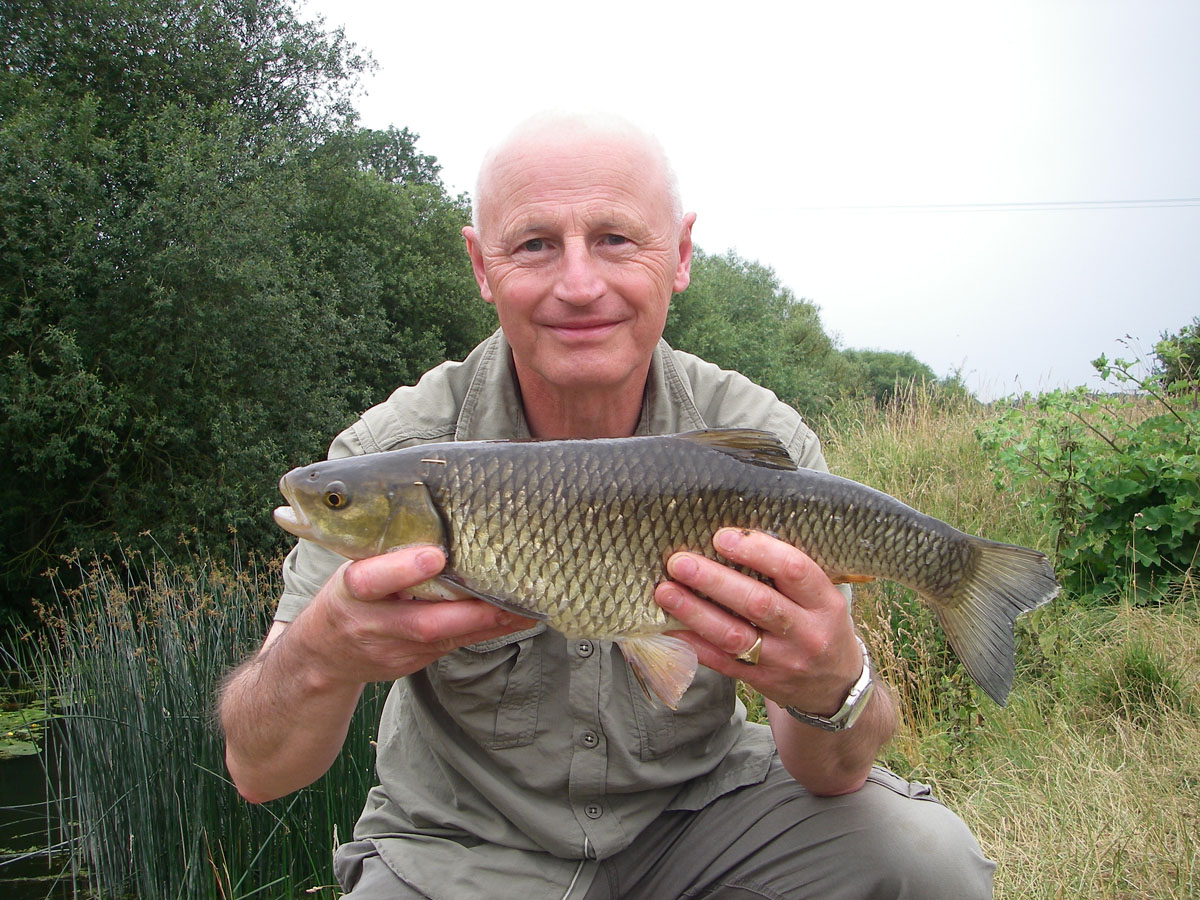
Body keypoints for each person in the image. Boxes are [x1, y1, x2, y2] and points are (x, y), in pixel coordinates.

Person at [219, 112, 995, 899]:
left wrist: (835, 681)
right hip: (463, 848)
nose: (580, 285)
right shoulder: (390, 453)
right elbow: (259, 771)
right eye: (534, 244)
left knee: (930, 864)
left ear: (681, 254)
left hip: (704, 816)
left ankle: (962, 576)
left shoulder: (761, 440)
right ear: (482, 266)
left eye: (617, 239)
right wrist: (320, 654)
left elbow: (831, 770)